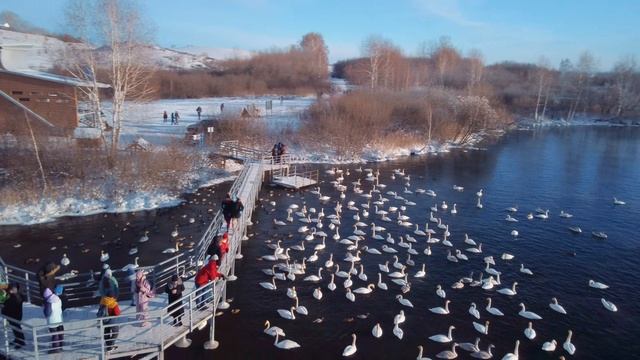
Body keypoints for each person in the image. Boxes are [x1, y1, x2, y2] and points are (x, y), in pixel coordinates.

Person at [1, 283, 25, 349]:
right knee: (14, 328)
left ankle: (21, 341)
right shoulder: (13, 296)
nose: (11, 290)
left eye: (13, 289)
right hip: (12, 315)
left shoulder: (17, 297)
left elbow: (10, 305)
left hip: (15, 315)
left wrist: (4, 305)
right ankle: (17, 339)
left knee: (17, 328)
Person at [98, 288, 121, 353]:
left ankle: (108, 344)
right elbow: (117, 313)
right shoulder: (113, 303)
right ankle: (110, 346)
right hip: (112, 321)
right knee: (115, 332)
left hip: (104, 320)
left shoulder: (102, 300)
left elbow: (100, 310)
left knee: (106, 332)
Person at [43, 287, 64, 353]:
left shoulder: (49, 302)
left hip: (52, 321)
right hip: (59, 319)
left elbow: (47, 313)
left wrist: (44, 308)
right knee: (60, 333)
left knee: (55, 335)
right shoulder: (58, 298)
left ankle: (56, 349)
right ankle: (60, 345)